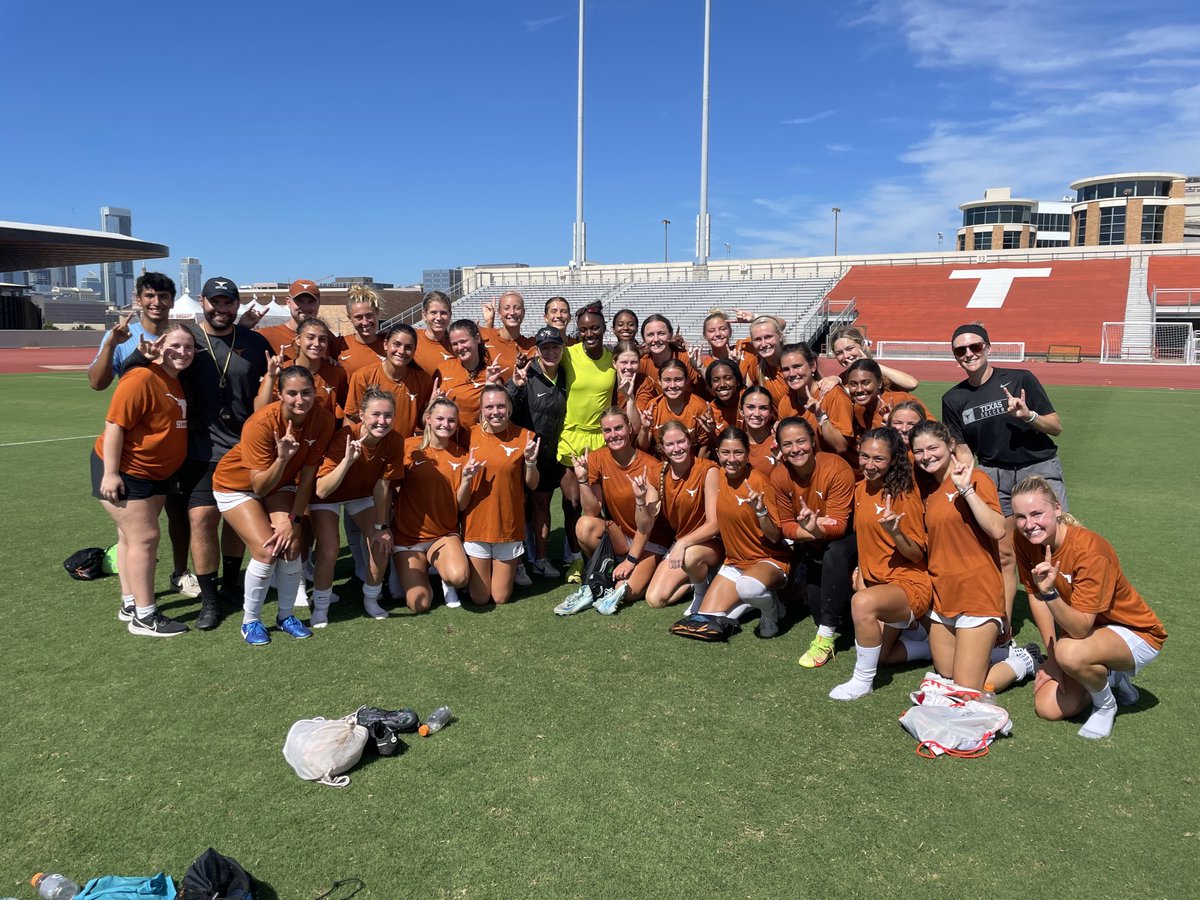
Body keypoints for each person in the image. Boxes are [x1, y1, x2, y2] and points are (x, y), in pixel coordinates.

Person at [126, 276, 273, 632]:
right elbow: (142, 376)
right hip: (199, 450)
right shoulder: (188, 342)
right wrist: (134, 352)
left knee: (238, 521)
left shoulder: (255, 343)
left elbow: (263, 400)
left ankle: (230, 585)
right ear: (203, 302)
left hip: (242, 450)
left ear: (237, 305)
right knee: (202, 519)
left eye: (228, 303)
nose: (221, 309)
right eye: (215, 302)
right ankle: (209, 600)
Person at [1012, 476, 1166, 739]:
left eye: (1037, 513)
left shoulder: (1090, 550)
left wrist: (1049, 592)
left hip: (1135, 632)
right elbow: (1035, 597)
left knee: (1069, 652)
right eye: (1021, 517)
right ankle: (1113, 677)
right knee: (1048, 707)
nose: (1029, 525)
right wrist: (1051, 658)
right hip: (1088, 631)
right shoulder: (1024, 540)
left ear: (1057, 508)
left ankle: (1105, 705)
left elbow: (1080, 628)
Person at [942, 322, 1068, 645]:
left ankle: (1070, 620)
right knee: (1005, 552)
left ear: (987, 347)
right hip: (995, 475)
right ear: (955, 355)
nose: (968, 354)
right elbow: (964, 451)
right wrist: (963, 485)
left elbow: (1055, 426)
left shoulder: (1020, 378)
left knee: (1054, 545)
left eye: (975, 347)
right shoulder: (953, 399)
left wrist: (1027, 416)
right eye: (961, 350)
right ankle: (1004, 625)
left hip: (1037, 469)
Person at [87, 272, 198, 599]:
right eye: (149, 296)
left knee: (174, 517)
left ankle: (178, 575)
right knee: (141, 534)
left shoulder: (184, 338)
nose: (156, 302)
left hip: (171, 446)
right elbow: (98, 384)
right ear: (139, 299)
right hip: (135, 454)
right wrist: (114, 345)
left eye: (163, 297)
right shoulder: (125, 340)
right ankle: (140, 606)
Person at [212, 366, 336, 646]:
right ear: (279, 394)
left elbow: (306, 479)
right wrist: (281, 459)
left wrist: (294, 521)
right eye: (291, 393)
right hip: (237, 485)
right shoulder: (260, 423)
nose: (299, 400)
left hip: (281, 486)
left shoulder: (323, 420)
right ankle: (251, 621)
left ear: (315, 392)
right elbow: (259, 487)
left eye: (306, 393)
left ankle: (286, 615)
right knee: (268, 550)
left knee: (292, 545)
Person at [911, 421, 1036, 689]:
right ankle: (996, 655)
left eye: (933, 448)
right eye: (919, 451)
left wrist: (965, 490)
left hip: (976, 593)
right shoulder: (928, 492)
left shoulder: (974, 477)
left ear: (950, 446)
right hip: (942, 594)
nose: (926, 456)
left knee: (968, 686)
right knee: (945, 673)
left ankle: (1023, 661)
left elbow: (997, 528)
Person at [828, 427, 933, 700]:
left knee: (862, 603)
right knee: (884, 656)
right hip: (879, 584)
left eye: (879, 459)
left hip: (909, 585)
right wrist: (862, 570)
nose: (869, 465)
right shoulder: (860, 488)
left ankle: (862, 681)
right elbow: (865, 539)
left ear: (893, 460)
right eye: (865, 456)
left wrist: (895, 532)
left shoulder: (903, 495)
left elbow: (916, 555)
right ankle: (930, 644)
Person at [310, 386, 404, 625]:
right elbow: (322, 490)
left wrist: (382, 526)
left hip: (360, 495)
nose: (382, 421)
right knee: (329, 550)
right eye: (376, 414)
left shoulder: (394, 440)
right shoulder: (345, 437)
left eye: (388, 415)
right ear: (362, 415)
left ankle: (371, 599)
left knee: (381, 542)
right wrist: (346, 462)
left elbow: (383, 486)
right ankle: (320, 606)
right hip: (328, 496)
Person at [566, 407, 673, 613]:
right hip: (622, 536)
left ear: (630, 428)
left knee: (627, 591)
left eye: (618, 428)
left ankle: (649, 567)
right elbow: (591, 511)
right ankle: (604, 570)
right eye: (607, 430)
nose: (613, 435)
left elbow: (647, 525)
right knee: (584, 526)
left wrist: (632, 560)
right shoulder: (597, 458)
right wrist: (582, 480)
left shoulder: (650, 466)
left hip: (651, 539)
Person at [770, 417, 856, 667]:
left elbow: (839, 526)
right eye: (787, 444)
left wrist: (811, 530)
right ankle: (842, 617)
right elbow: (785, 525)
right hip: (815, 541)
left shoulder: (836, 468)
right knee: (820, 614)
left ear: (813, 442)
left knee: (835, 552)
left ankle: (825, 639)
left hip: (849, 539)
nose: (795, 449)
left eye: (801, 441)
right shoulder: (779, 476)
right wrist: (812, 530)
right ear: (780, 449)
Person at [690, 427, 790, 638]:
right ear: (717, 453)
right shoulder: (716, 476)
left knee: (748, 588)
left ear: (747, 454)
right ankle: (758, 600)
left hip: (768, 560)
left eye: (738, 453)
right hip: (734, 562)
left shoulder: (759, 481)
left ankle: (770, 610)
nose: (732, 459)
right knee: (707, 617)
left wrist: (760, 511)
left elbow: (774, 536)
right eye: (726, 453)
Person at [462, 385, 540, 605]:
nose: (495, 411)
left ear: (510, 407)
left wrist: (531, 463)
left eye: (500, 406)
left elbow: (532, 485)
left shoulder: (525, 436)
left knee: (500, 597)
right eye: (489, 407)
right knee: (479, 598)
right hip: (476, 524)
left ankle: (514, 567)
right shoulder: (469, 434)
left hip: (508, 525)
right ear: (481, 409)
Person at [391, 397, 471, 613]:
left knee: (459, 577)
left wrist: (466, 480)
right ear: (427, 419)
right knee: (419, 604)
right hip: (408, 539)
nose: (445, 424)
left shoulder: (462, 454)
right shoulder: (407, 447)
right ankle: (411, 570)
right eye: (440, 418)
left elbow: (461, 505)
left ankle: (446, 579)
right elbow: (389, 487)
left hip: (443, 535)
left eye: (451, 420)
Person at [556, 303, 617, 582]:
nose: (589, 333)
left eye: (594, 328)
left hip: (601, 439)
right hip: (571, 435)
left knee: (599, 505)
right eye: (583, 329)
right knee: (571, 503)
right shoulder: (568, 354)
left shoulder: (613, 359)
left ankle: (601, 554)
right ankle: (575, 560)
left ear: (604, 329)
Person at [639, 420, 723, 610]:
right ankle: (700, 578)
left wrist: (683, 543)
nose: (677, 448)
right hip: (681, 545)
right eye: (670, 444)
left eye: (681, 442)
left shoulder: (708, 470)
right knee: (655, 599)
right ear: (662, 448)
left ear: (690, 441)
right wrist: (639, 500)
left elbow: (714, 524)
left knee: (690, 556)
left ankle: (702, 589)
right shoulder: (656, 473)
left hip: (711, 543)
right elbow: (645, 523)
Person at [507, 326, 569, 578]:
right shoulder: (527, 374)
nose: (551, 352)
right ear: (537, 351)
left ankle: (541, 559)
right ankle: (519, 563)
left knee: (542, 505)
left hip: (550, 454)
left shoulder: (566, 375)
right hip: (525, 454)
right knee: (520, 507)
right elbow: (506, 408)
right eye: (545, 348)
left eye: (555, 347)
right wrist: (515, 385)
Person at [344, 325, 434, 438]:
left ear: (414, 350)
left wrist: (432, 408)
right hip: (370, 448)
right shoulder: (363, 376)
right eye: (396, 344)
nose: (402, 351)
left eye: (408, 347)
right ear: (386, 344)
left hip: (404, 449)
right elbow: (351, 418)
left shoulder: (423, 380)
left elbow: (422, 423)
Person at [775, 342, 851, 455]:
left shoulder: (833, 394)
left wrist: (820, 415)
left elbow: (841, 446)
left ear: (813, 366)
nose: (791, 373)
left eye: (797, 366)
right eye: (786, 369)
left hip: (837, 468)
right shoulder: (786, 402)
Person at [269, 316, 347, 419]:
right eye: (310, 337)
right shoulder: (281, 370)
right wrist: (270, 377)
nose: (316, 343)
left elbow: (349, 409)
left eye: (322, 339)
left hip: (323, 433)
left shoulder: (336, 372)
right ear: (298, 339)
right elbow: (261, 409)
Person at [638, 358, 712, 457]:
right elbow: (642, 448)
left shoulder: (699, 407)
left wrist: (696, 470)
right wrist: (645, 429)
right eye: (667, 380)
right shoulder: (654, 406)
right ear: (659, 381)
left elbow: (706, 447)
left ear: (686, 380)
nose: (672, 385)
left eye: (678, 380)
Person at [443, 319, 501, 435]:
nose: (459, 347)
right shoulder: (443, 369)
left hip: (480, 442)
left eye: (463, 341)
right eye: (455, 344)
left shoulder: (492, 374)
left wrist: (490, 385)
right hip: (450, 444)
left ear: (477, 338)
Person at [820, 325, 919, 394]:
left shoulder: (883, 374)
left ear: (862, 345)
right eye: (839, 353)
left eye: (850, 349)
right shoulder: (842, 379)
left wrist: (871, 365)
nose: (846, 356)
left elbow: (912, 384)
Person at [635, 315, 699, 409]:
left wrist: (700, 368)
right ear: (644, 338)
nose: (656, 339)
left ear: (670, 334)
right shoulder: (640, 364)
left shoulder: (687, 358)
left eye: (661, 333)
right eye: (650, 335)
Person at [257, 279, 323, 357]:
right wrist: (243, 327)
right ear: (288, 302)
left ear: (319, 303)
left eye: (311, 302)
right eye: (300, 301)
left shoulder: (326, 339)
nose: (305, 307)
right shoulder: (266, 335)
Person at [335, 283, 388, 378]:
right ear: (350, 318)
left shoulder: (390, 344)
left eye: (369, 315)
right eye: (358, 317)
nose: (365, 322)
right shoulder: (339, 345)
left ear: (377, 312)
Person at [479, 290, 535, 379]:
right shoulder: (484, 335)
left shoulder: (531, 346)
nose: (512, 312)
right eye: (506, 308)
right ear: (499, 313)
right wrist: (489, 322)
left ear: (524, 312)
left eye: (517, 308)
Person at [412, 290, 455, 378]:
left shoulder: (457, 344)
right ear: (424, 315)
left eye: (443, 313)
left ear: (450, 315)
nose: (438, 318)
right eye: (433, 312)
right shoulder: (412, 339)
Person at [739, 386, 779, 476]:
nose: (757, 414)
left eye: (763, 408)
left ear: (771, 411)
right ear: (741, 411)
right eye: (751, 407)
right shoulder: (736, 442)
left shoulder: (779, 441)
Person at [703, 358, 744, 435]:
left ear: (738, 381)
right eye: (715, 380)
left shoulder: (749, 400)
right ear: (711, 385)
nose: (722, 384)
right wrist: (712, 432)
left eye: (728, 378)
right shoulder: (711, 412)